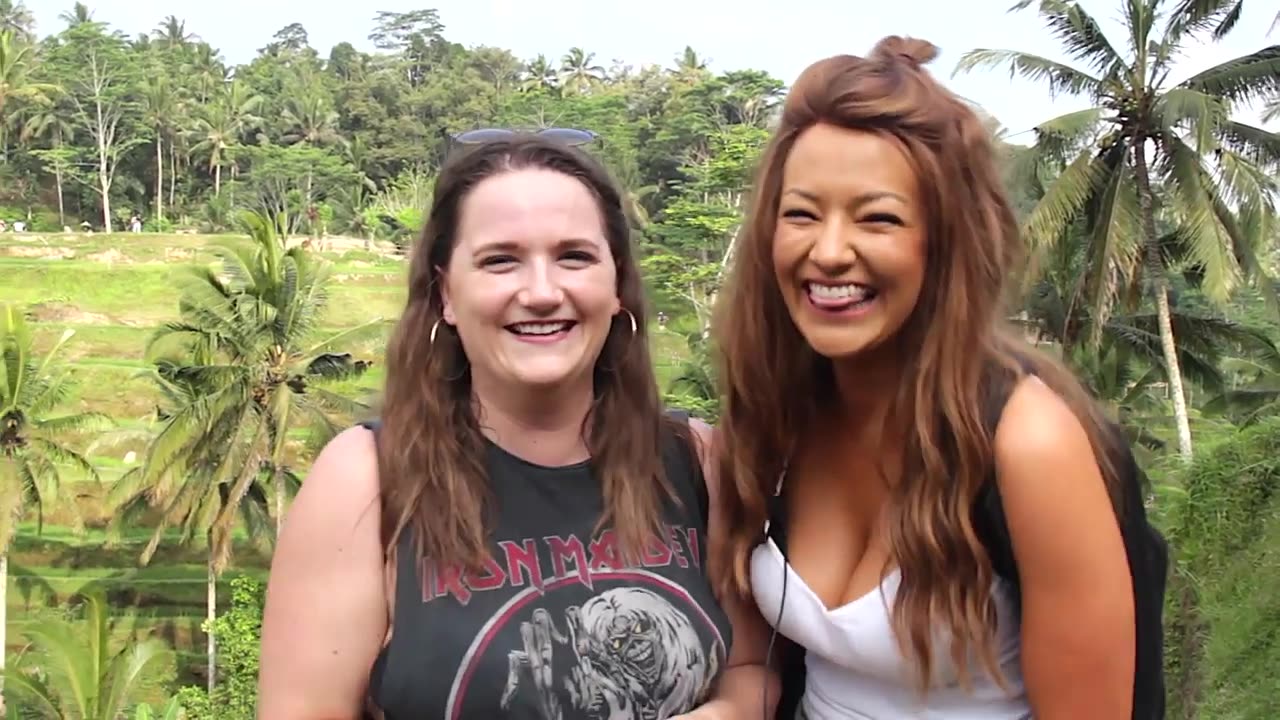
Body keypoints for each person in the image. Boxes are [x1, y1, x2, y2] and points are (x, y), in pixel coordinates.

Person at [709, 37, 1165, 719]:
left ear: (944, 242)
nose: (828, 252)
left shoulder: (1027, 445)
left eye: (878, 219)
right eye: (801, 214)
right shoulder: (775, 421)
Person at [258, 131, 776, 719]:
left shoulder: (696, 461)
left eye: (574, 256)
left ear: (616, 286)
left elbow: (751, 669)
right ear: (447, 294)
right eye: (500, 260)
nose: (541, 292)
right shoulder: (366, 480)